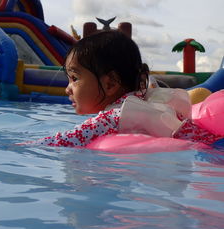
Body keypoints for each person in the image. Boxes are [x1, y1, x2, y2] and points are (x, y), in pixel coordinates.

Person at [33, 30, 222, 147]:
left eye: (74, 78)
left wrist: (23, 145)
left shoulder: (112, 118)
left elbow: (63, 142)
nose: (68, 88)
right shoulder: (145, 100)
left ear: (110, 84)